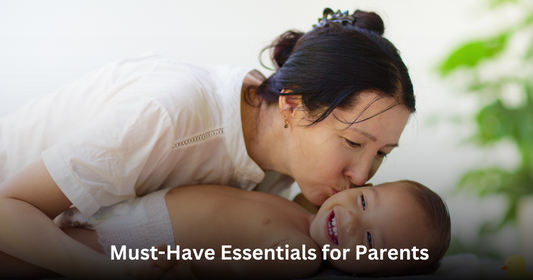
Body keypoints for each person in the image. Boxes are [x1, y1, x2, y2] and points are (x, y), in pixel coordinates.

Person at [0, 8, 416, 279]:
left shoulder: (288, 161)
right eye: (351, 142)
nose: (362, 176)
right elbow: (8, 208)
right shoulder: (169, 115)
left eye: (381, 153)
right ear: (292, 105)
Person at [12, 180, 448, 279]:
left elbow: (235, 267)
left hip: (143, 244)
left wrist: (181, 266)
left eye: (371, 241)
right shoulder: (304, 208)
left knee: (27, 258)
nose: (352, 221)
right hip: (130, 211)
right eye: (365, 202)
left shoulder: (302, 255)